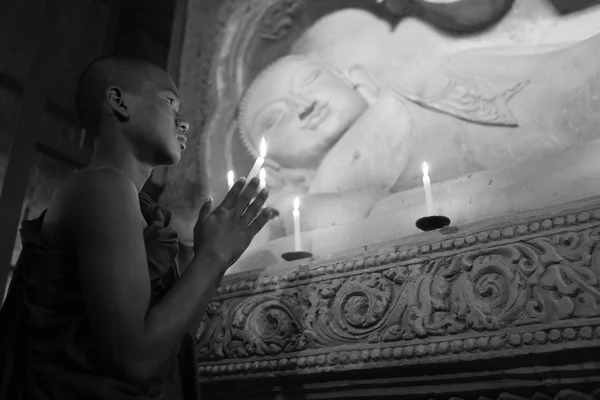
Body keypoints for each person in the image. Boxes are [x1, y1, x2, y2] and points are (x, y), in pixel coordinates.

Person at [0, 56, 272, 399]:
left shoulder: (134, 206)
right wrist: (213, 256)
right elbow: (135, 359)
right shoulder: (103, 188)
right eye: (169, 102)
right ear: (118, 101)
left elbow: (174, 342)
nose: (184, 122)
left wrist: (214, 257)